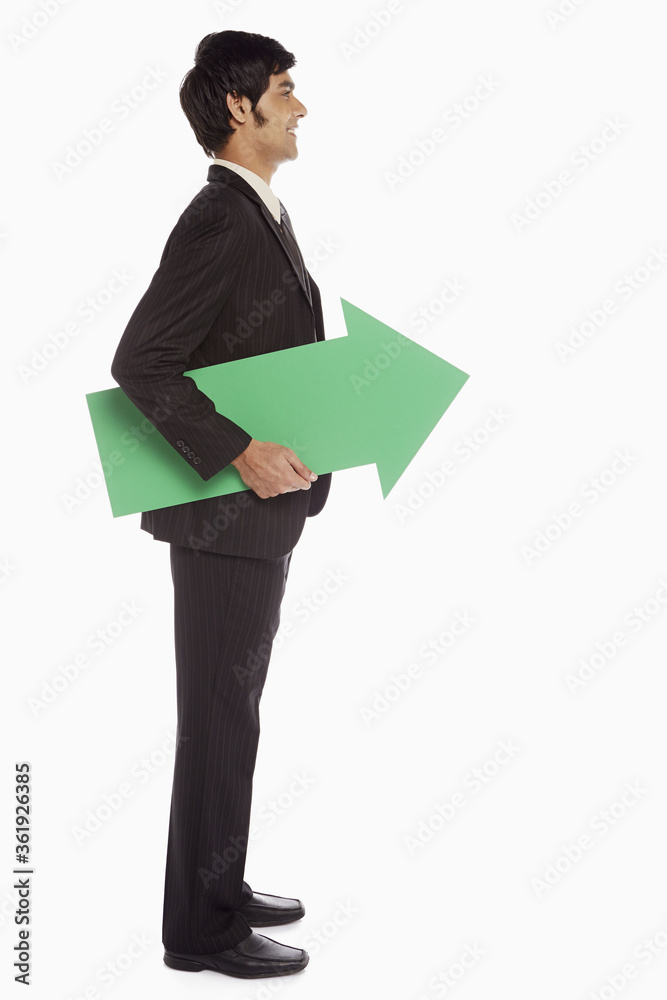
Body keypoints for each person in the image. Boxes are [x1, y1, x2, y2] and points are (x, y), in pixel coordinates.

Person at [110, 29, 331, 980]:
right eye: (284, 90)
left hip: (256, 520)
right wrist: (238, 452)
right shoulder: (220, 218)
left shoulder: (258, 212)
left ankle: (219, 886)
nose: (300, 106)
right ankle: (199, 932)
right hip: (223, 518)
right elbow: (142, 362)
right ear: (239, 108)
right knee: (216, 716)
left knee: (232, 712)